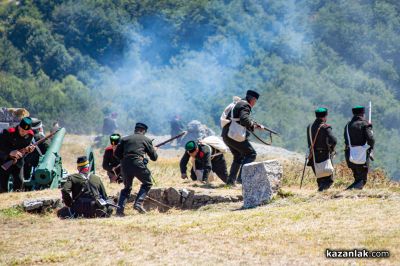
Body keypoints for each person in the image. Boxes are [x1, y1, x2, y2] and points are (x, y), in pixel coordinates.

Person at [115, 123, 158, 215]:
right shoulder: (146, 140)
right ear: (143, 131)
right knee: (147, 183)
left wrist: (125, 160)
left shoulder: (124, 139)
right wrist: (154, 149)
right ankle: (138, 203)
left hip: (125, 164)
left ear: (136, 130)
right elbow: (154, 158)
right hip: (137, 163)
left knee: (127, 188)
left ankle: (119, 211)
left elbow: (116, 154)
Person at [221, 90, 262, 185]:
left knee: (238, 156)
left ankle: (230, 181)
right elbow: (244, 120)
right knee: (251, 154)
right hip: (233, 135)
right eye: (255, 101)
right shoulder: (245, 105)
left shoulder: (238, 103)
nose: (254, 104)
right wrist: (254, 126)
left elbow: (240, 119)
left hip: (226, 134)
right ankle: (241, 179)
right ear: (253, 100)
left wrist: (253, 124)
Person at [0, 117, 35, 192]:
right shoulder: (8, 132)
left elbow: (26, 147)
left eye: (26, 131)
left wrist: (29, 149)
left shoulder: (30, 135)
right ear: (19, 127)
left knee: (19, 182)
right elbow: (1, 147)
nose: (23, 133)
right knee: (2, 185)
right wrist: (10, 152)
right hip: (5, 161)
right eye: (22, 130)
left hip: (18, 162)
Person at [344, 106, 375, 190]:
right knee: (362, 180)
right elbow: (371, 139)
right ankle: (349, 192)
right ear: (362, 114)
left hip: (350, 155)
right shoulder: (365, 124)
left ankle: (350, 192)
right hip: (362, 155)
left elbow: (346, 140)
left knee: (357, 178)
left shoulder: (348, 125)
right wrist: (371, 148)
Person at [306, 108, 337, 191]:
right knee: (328, 179)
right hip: (324, 155)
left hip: (313, 156)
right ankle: (322, 194)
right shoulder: (325, 127)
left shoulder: (309, 127)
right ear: (325, 116)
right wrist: (332, 149)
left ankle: (321, 193)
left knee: (320, 178)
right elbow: (334, 140)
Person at [23, 118, 50, 182]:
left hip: (24, 167)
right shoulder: (43, 139)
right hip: (38, 169)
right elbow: (48, 153)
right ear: (39, 128)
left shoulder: (24, 137)